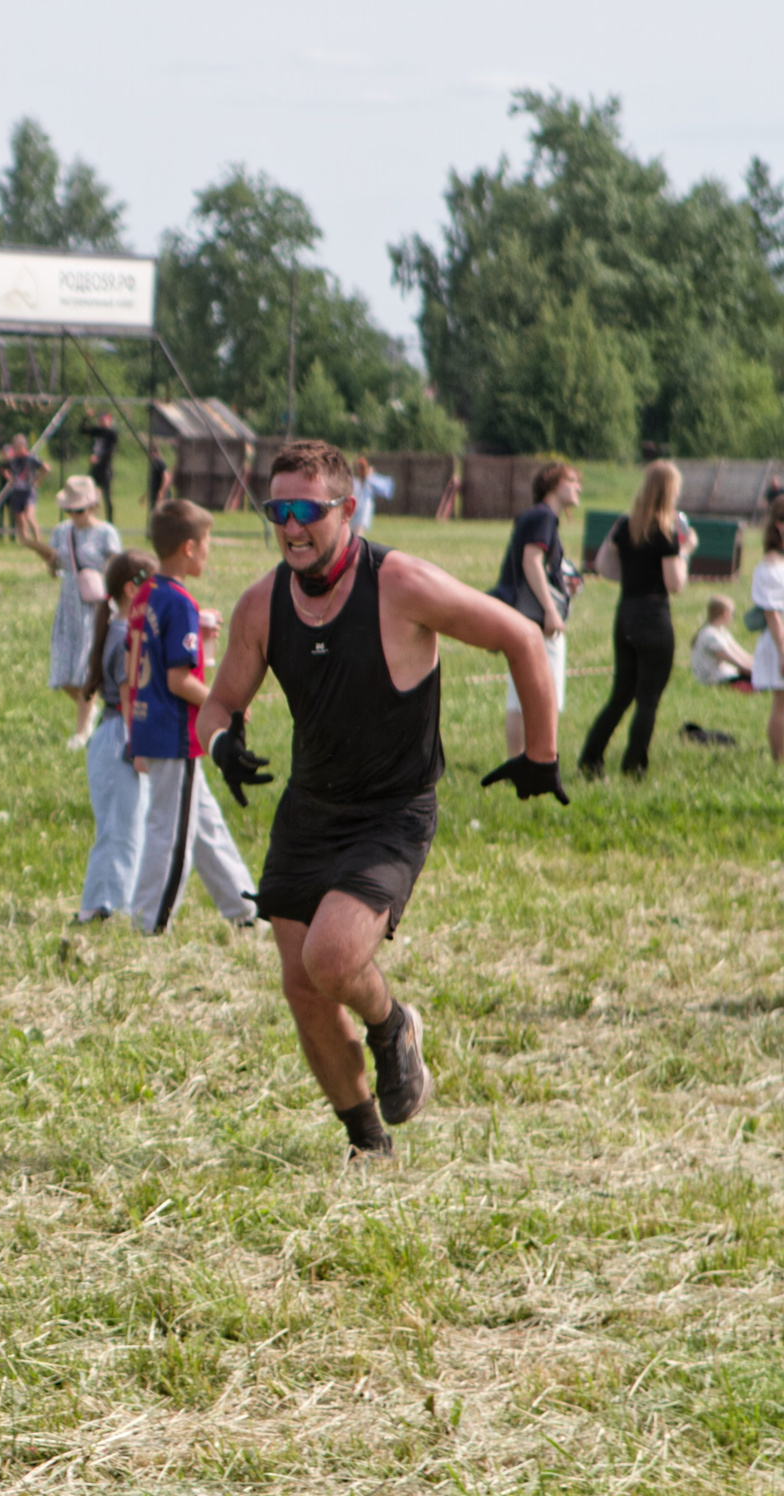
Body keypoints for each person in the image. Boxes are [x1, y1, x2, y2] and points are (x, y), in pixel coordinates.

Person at [202, 439, 563, 1164]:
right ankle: (369, 1142)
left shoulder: (399, 583)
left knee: (331, 958)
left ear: (348, 509)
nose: (291, 527)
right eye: (278, 511)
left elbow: (523, 637)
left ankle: (393, 1023)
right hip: (309, 811)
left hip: (392, 812)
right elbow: (219, 703)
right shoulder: (261, 605)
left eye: (307, 510)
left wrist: (541, 754)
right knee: (304, 989)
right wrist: (222, 744)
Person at [124, 500, 257, 935]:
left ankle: (246, 912)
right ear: (188, 547)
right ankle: (149, 924)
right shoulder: (180, 601)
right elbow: (179, 679)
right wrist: (227, 704)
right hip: (174, 733)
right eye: (206, 544)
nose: (208, 552)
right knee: (171, 833)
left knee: (205, 826)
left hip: (150, 723)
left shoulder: (145, 593)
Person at [576, 460, 695, 780]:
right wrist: (685, 551)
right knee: (648, 700)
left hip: (626, 614)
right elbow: (675, 583)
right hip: (654, 617)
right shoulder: (666, 531)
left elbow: (603, 565)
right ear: (670, 491)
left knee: (620, 695)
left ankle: (590, 758)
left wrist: (632, 576)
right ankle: (634, 767)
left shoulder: (625, 524)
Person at [73, 549, 157, 925]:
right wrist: (138, 746)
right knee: (119, 829)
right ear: (131, 590)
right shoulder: (125, 635)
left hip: (117, 736)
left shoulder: (124, 629)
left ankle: (117, 904)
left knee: (128, 825)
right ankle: (100, 908)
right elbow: (129, 699)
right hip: (120, 737)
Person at [488, 462, 581, 760]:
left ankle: (518, 760)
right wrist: (552, 611)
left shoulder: (537, 516)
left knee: (519, 696)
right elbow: (531, 561)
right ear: (553, 484)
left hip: (521, 617)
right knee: (546, 694)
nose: (578, 487)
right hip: (537, 621)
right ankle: (540, 761)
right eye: (572, 481)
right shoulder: (544, 516)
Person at [36, 474, 122, 747]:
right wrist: (47, 559)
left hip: (95, 606)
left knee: (86, 669)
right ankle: (92, 708)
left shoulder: (106, 533)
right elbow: (55, 569)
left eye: (80, 509)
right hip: (68, 604)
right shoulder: (62, 531)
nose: (75, 515)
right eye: (70, 510)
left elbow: (117, 570)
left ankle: (81, 731)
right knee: (63, 672)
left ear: (93, 506)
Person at [749, 503, 784, 762]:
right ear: (779, 526)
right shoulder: (770, 567)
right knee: (781, 704)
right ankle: (780, 761)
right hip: (779, 639)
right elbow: (772, 614)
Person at [0, 433, 49, 549]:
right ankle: (26, 544)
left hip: (28, 492)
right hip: (16, 492)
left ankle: (38, 543)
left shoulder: (30, 458)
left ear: (22, 446)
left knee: (29, 517)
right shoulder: (13, 460)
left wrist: (38, 481)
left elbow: (46, 468)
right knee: (19, 520)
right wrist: (10, 479)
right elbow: (2, 468)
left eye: (15, 446)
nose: (13, 448)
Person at [691, 596, 757, 689]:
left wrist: (758, 664)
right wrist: (756, 671)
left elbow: (742, 654)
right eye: (733, 613)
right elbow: (736, 662)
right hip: (714, 680)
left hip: (725, 674)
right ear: (725, 613)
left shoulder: (721, 631)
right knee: (761, 684)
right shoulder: (710, 635)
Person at [85, 410, 120, 523]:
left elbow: (110, 451)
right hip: (95, 469)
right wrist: (87, 418)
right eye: (99, 420)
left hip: (105, 469)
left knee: (107, 497)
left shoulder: (112, 433)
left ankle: (110, 521)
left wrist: (98, 458)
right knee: (90, 494)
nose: (101, 422)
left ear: (108, 420)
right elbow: (83, 430)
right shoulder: (97, 431)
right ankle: (91, 518)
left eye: (103, 419)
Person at [350, 456, 394, 535]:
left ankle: (359, 543)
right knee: (353, 530)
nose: (357, 469)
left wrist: (370, 476)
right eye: (356, 467)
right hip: (355, 507)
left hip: (364, 508)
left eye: (359, 467)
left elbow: (383, 486)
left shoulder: (369, 479)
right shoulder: (355, 479)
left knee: (359, 529)